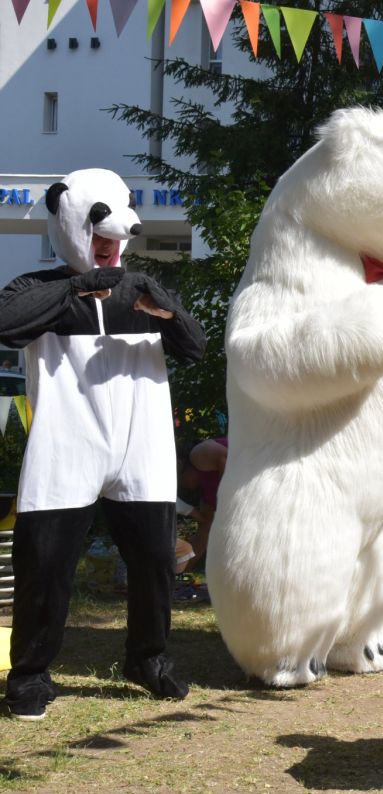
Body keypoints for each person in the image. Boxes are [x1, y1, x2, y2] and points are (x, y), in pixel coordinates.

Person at [0, 168, 205, 720]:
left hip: (142, 442)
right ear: (68, 221)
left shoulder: (141, 290)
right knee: (45, 563)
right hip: (67, 440)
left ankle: (148, 658)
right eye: (97, 232)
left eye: (116, 235)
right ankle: (30, 674)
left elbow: (195, 346)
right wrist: (76, 288)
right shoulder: (35, 288)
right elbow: (6, 323)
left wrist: (167, 311)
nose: (111, 245)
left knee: (155, 560)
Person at [176, 437, 228, 574]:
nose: (183, 486)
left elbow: (229, 460)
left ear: (180, 465)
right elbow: (202, 537)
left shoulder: (198, 453)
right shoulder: (207, 498)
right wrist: (181, 570)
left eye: (180, 481)